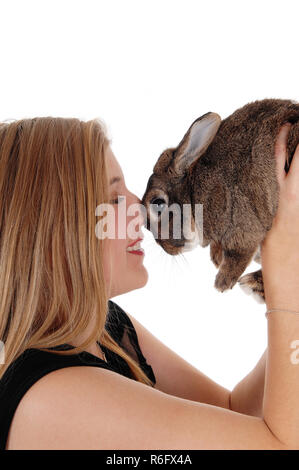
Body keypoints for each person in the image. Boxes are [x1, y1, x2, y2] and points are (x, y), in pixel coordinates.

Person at [0, 117, 298, 450]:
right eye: (114, 199)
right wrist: (287, 277)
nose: (140, 212)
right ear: (57, 231)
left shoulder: (106, 331)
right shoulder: (55, 399)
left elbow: (234, 411)